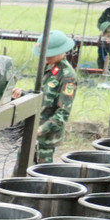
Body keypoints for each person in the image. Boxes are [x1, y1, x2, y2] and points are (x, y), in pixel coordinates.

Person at [33, 30, 79, 165]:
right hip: (34, 131)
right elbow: (42, 95)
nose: (46, 58)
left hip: (46, 138)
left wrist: (42, 129)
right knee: (20, 172)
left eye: (49, 55)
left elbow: (62, 113)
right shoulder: (48, 67)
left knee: (40, 175)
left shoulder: (67, 76)